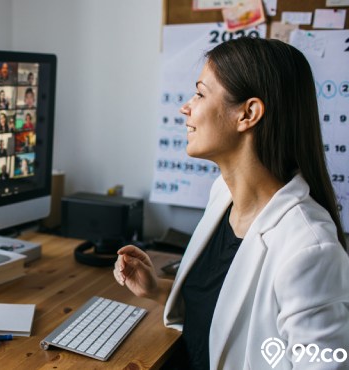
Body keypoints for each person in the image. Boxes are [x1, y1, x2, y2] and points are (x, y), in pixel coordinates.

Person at [113, 38, 349, 370]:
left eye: (199, 93)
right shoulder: (223, 195)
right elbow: (227, 319)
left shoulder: (310, 249)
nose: (186, 107)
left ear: (248, 114)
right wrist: (158, 291)